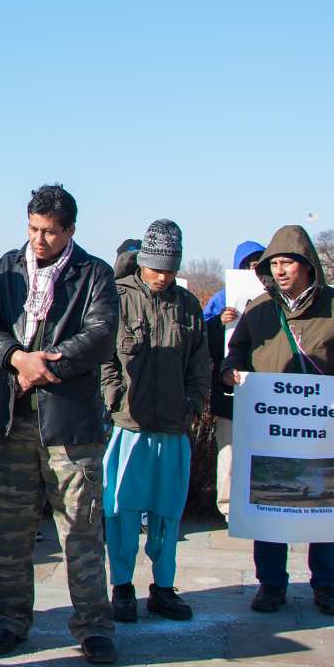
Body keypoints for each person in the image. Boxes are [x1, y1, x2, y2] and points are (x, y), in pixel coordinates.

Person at [0, 184, 119, 665]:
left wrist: (47, 364)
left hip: (70, 422)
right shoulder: (7, 267)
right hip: (14, 415)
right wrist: (16, 357)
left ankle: (94, 624)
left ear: (70, 230)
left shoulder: (94, 273)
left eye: (50, 232)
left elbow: (100, 335)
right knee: (11, 530)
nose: (39, 240)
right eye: (33, 229)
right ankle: (10, 620)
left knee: (81, 527)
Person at [222, 225, 334, 617]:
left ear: (307, 266)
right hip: (272, 432)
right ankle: (271, 585)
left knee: (325, 511)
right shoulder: (259, 309)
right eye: (273, 263)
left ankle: (326, 587)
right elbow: (236, 353)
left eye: (287, 262)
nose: (279, 270)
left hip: (326, 434)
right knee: (269, 510)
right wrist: (230, 372)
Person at [100, 220, 209, 623]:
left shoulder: (188, 305)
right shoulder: (116, 299)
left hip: (173, 427)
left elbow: (200, 361)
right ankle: (122, 587)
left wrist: (194, 402)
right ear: (142, 262)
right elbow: (103, 357)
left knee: (168, 513)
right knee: (121, 511)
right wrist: (112, 396)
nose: (162, 276)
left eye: (170, 269)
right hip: (129, 427)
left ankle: (164, 588)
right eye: (155, 267)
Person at [203, 240, 264, 519]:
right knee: (228, 451)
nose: (254, 269)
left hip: (265, 389)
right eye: (249, 264)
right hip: (230, 389)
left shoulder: (274, 298)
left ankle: (259, 502)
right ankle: (228, 508)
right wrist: (219, 322)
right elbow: (204, 344)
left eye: (259, 263)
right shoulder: (222, 298)